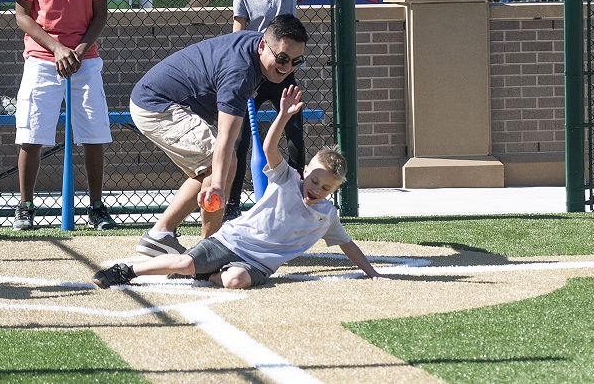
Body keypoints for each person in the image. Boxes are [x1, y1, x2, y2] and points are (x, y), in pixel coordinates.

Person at [94, 84, 386, 289]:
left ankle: (205, 275)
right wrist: (283, 116)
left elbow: (347, 244)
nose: (316, 190)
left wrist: (371, 273)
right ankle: (125, 271)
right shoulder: (287, 180)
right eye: (314, 180)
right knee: (183, 264)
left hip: (258, 264)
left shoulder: (327, 216)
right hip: (232, 241)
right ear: (305, 170)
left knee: (235, 282)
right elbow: (270, 147)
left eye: (326, 188)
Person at [129, 14, 309, 257]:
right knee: (221, 165)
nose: (287, 68)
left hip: (163, 102)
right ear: (263, 45)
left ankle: (161, 236)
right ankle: (208, 251)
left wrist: (216, 179)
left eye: (296, 61)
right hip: (157, 105)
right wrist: (218, 185)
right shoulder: (240, 72)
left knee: (211, 167)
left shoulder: (255, 50)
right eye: (282, 58)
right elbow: (226, 137)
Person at [7, 0, 120, 231]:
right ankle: (25, 206)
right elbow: (22, 17)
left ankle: (97, 207)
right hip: (42, 59)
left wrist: (79, 51)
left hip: (84, 61)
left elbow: (101, 14)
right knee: (32, 132)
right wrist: (56, 48)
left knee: (94, 133)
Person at [226, 0, 324, 221]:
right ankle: (232, 205)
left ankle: (294, 199)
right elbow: (236, 40)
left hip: (284, 75)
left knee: (295, 137)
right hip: (254, 76)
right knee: (239, 141)